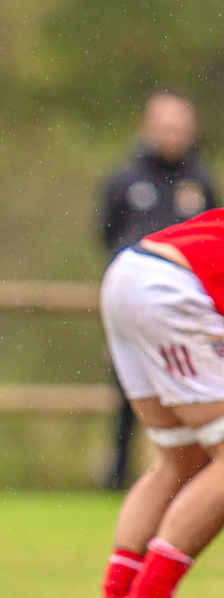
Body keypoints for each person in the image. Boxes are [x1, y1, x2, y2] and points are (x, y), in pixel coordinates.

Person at [96, 209, 224, 598]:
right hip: (172, 287)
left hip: (130, 272)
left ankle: (119, 596)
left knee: (181, 458)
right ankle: (149, 596)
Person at [99, 91, 217, 490]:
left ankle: (187, 472)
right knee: (129, 398)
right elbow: (106, 234)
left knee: (184, 430)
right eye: (166, 125)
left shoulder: (199, 180)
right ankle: (115, 476)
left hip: (187, 310)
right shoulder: (124, 179)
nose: (173, 134)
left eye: (180, 126)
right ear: (147, 128)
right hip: (134, 298)